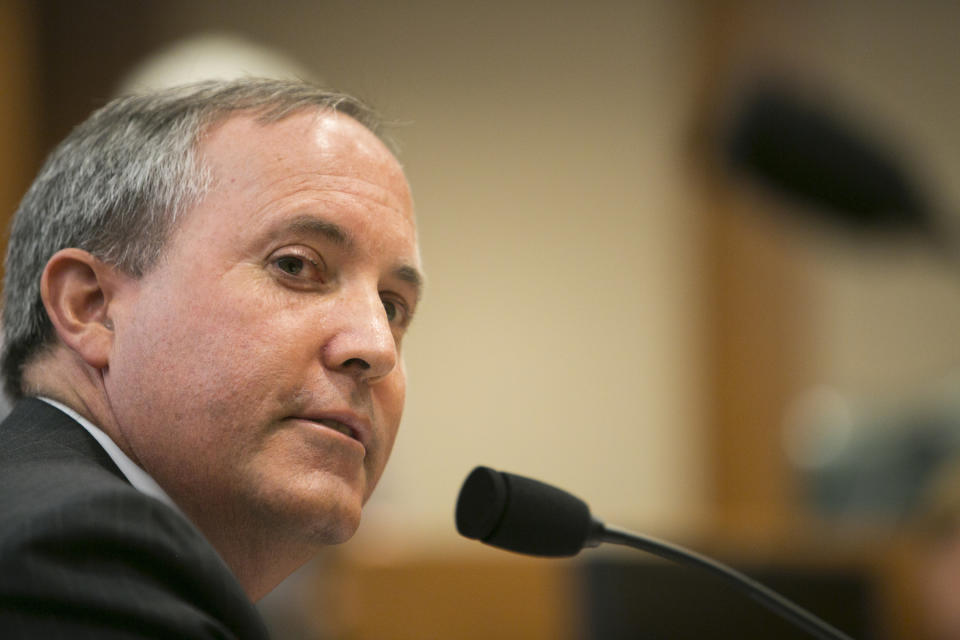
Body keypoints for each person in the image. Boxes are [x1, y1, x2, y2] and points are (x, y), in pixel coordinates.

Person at [0, 78, 423, 637]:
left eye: (393, 307)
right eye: (296, 266)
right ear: (92, 307)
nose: (375, 347)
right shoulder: (75, 552)